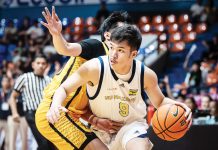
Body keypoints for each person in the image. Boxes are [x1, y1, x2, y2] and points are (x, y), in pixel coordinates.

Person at [49, 24, 192, 150]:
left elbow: (160, 102)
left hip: (130, 128)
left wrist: (181, 106)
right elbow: (63, 88)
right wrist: (55, 104)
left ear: (133, 54)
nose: (113, 55)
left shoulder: (146, 74)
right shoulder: (94, 68)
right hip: (98, 131)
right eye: (111, 48)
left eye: (121, 50)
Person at [35, 6, 133, 150]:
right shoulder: (96, 46)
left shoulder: (115, 66)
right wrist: (57, 34)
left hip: (72, 116)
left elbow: (82, 106)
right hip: (55, 110)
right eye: (121, 30)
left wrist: (96, 120)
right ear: (107, 35)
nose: (126, 35)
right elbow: (66, 48)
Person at [9, 54, 54, 150]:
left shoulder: (49, 80)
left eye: (43, 63)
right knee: (44, 143)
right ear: (33, 64)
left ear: (46, 66)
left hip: (46, 114)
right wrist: (14, 113)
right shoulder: (25, 77)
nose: (41, 65)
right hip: (31, 113)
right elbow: (12, 97)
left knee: (50, 144)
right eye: (38, 63)